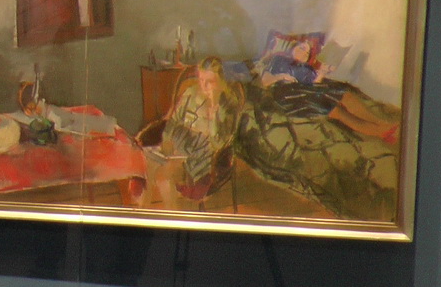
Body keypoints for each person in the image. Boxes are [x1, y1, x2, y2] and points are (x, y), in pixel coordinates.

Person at [257, 37, 400, 144]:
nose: (303, 53)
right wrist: (282, 76)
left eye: (307, 52)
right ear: (293, 48)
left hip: (307, 93)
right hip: (287, 97)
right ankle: (381, 130)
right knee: (337, 110)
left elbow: (314, 84)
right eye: (301, 48)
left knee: (345, 96)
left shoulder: (305, 69)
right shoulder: (279, 60)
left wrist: (323, 72)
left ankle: (380, 125)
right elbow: (265, 81)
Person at [159, 56, 239, 203]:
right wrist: (167, 139)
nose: (204, 85)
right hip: (183, 146)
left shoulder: (228, 103)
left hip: (209, 156)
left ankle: (186, 191)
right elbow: (174, 121)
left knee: (173, 174)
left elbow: (219, 144)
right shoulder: (191, 93)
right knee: (160, 165)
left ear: (221, 82)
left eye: (210, 81)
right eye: (201, 80)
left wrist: (214, 111)